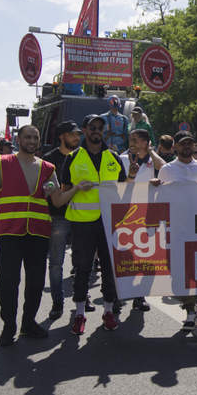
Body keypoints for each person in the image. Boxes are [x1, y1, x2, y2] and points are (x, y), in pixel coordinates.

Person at [0, 125, 62, 347]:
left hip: (38, 233)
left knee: (35, 282)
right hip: (9, 231)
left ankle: (28, 323)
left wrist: (77, 189)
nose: (31, 140)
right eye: (27, 137)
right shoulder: (3, 163)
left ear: (38, 141)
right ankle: (9, 325)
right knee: (7, 282)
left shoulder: (48, 168)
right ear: (19, 139)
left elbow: (56, 199)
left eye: (35, 137)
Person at [60, 114, 127, 334]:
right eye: (92, 127)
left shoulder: (114, 157)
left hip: (110, 223)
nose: (96, 130)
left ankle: (108, 311)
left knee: (109, 269)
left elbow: (125, 189)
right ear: (84, 130)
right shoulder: (73, 158)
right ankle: (79, 314)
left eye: (100, 127)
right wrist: (78, 188)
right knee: (82, 269)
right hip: (82, 223)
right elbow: (64, 192)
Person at [151, 130, 197, 331]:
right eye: (183, 144)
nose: (187, 147)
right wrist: (154, 187)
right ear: (175, 147)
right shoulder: (167, 170)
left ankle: (192, 305)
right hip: (177, 228)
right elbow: (160, 199)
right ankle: (189, 307)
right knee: (179, 270)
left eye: (190, 143)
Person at [120, 128, 165, 313]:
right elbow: (120, 184)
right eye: (130, 139)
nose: (132, 142)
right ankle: (119, 294)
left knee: (146, 256)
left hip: (149, 213)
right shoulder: (123, 159)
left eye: (136, 140)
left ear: (146, 143)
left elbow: (164, 168)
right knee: (125, 256)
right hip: (127, 213)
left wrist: (152, 151)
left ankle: (140, 296)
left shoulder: (153, 160)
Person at [42, 120, 81, 320]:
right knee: (56, 263)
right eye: (73, 134)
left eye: (78, 134)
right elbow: (49, 190)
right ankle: (58, 303)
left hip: (82, 215)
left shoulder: (83, 156)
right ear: (62, 136)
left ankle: (82, 299)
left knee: (83, 263)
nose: (77, 137)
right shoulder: (48, 160)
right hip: (58, 217)